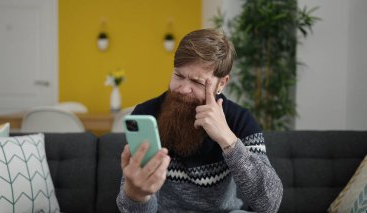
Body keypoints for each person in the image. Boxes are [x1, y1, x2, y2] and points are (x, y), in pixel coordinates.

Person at [116, 29, 283, 213]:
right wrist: (137, 194)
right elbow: (130, 210)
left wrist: (228, 140)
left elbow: (270, 204)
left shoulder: (240, 119)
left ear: (222, 83)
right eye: (178, 76)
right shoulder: (145, 115)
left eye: (197, 82)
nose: (183, 89)